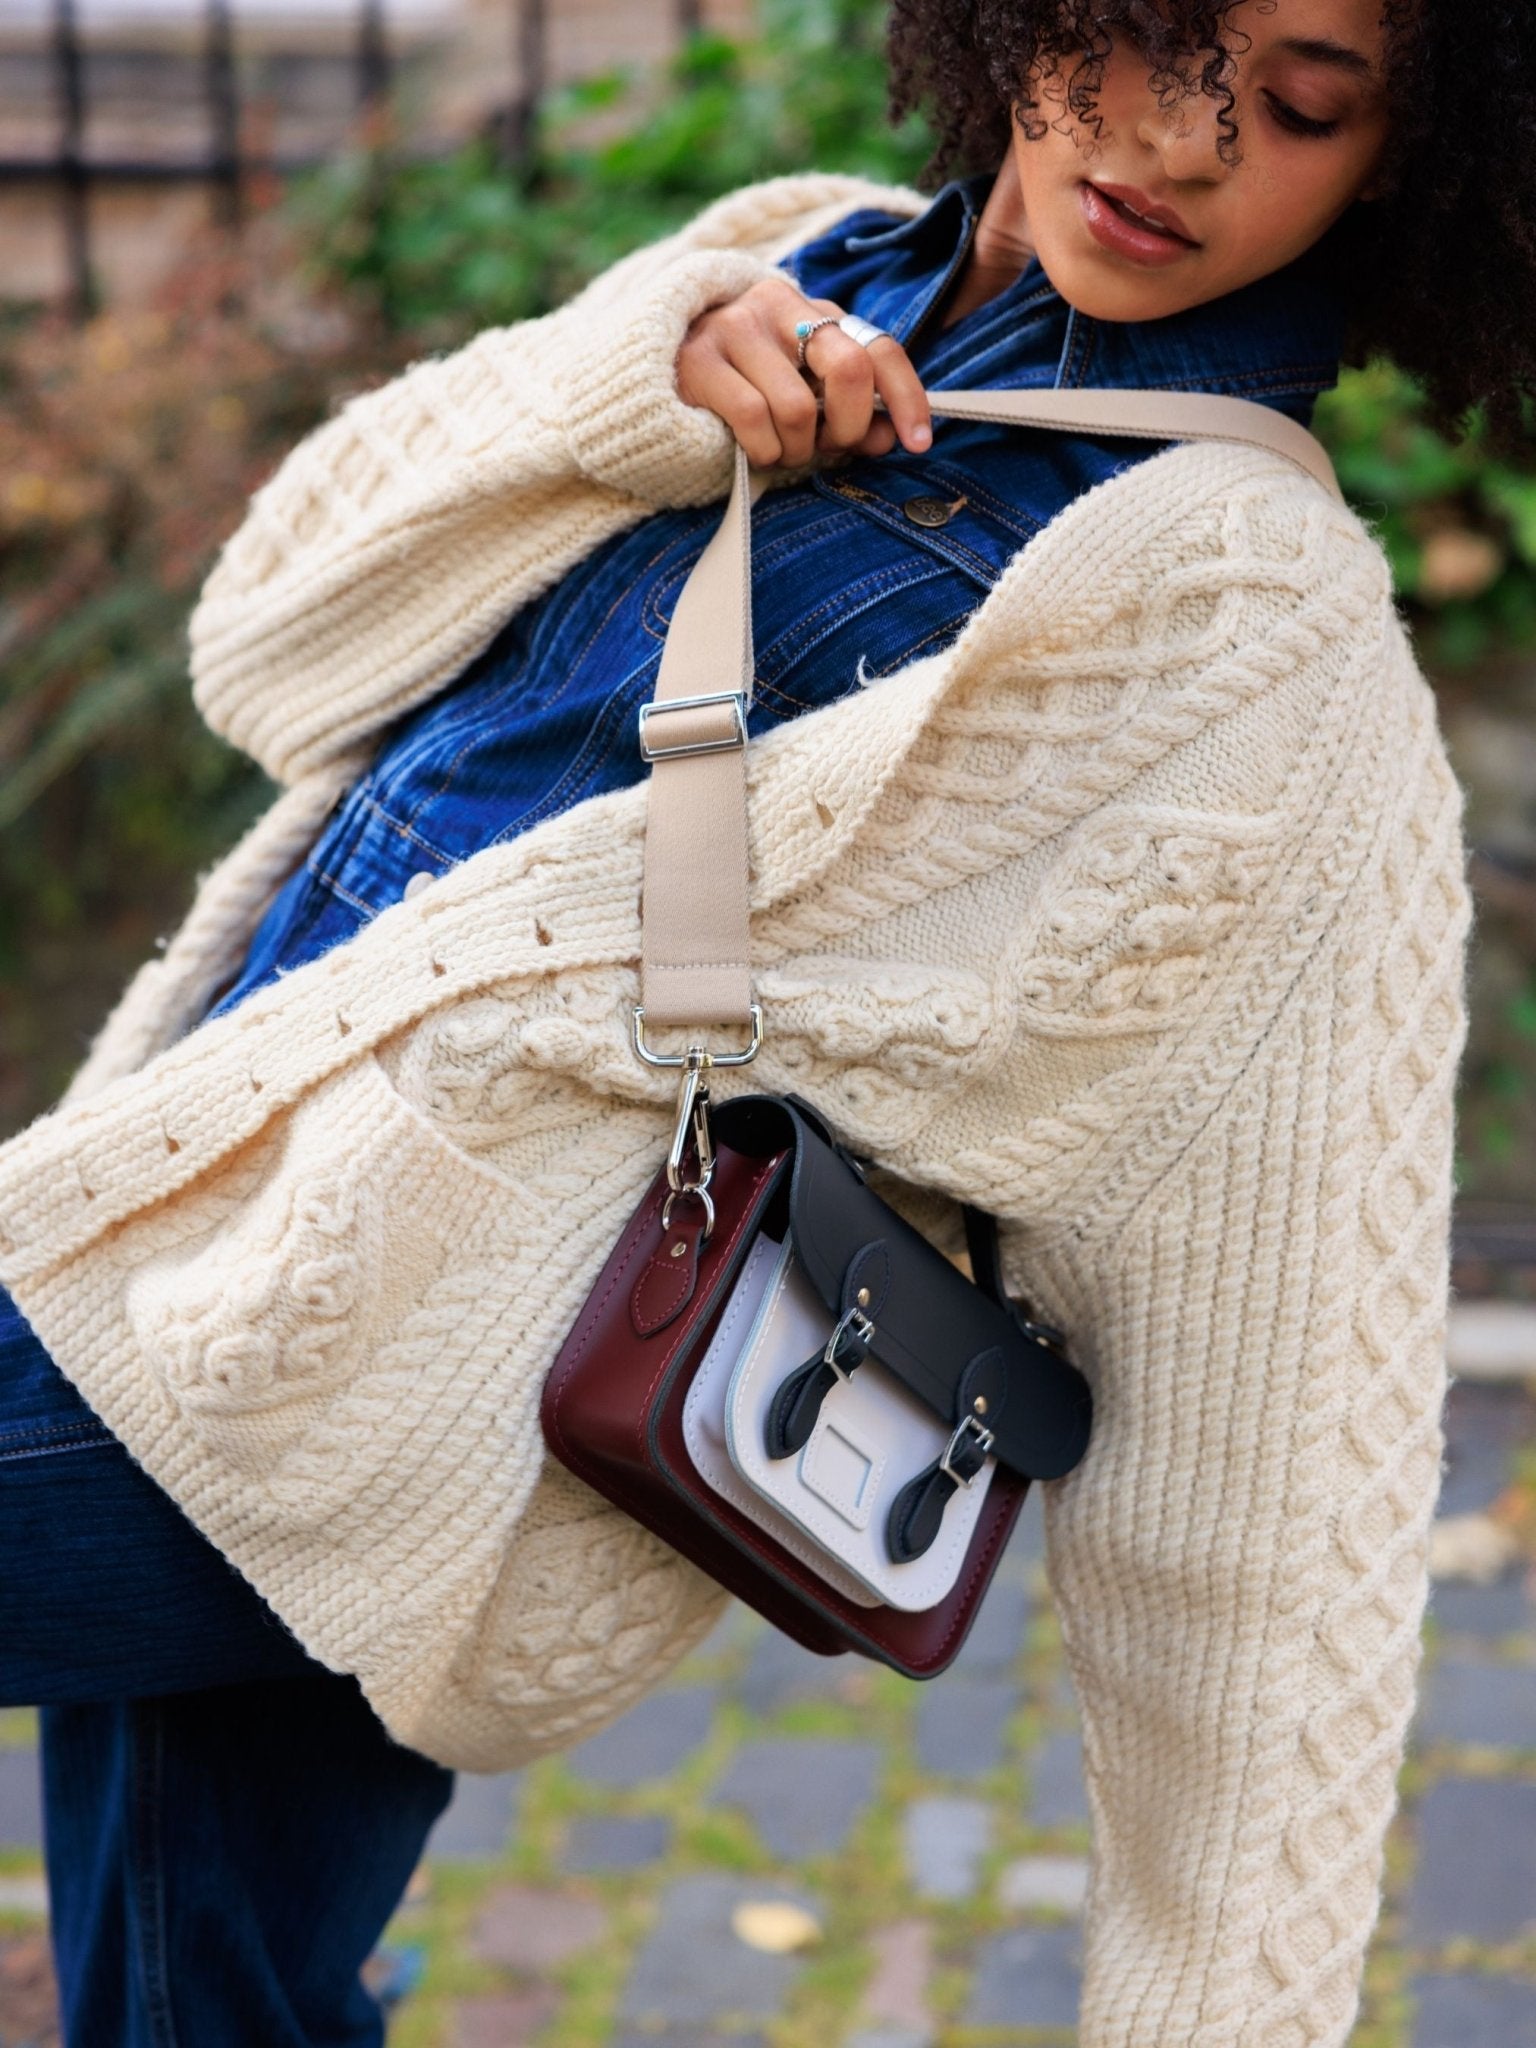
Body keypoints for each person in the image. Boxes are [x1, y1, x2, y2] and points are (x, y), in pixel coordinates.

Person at [0, 0, 1531, 2041]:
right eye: (1144, 26)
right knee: (206, 2005)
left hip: (410, 1394)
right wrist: (632, 387)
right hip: (204, 1176)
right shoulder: (795, 255)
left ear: (1407, 159)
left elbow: (1266, 1493)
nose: (1174, 138)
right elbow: (270, 642)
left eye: (1301, 101)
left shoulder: (1259, 652)